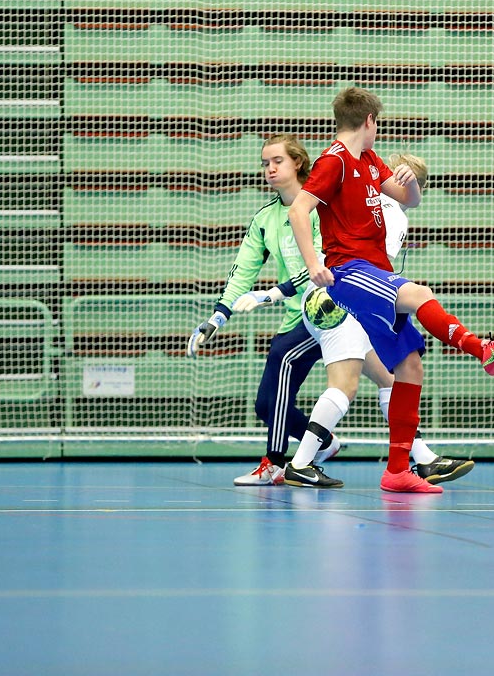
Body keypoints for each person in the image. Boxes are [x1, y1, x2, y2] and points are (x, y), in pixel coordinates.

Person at [189, 136, 471, 487]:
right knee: (332, 385)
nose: (270, 169)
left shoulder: (360, 202)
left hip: (340, 301)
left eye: (277, 161)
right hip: (333, 302)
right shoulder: (354, 210)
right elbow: (327, 262)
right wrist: (241, 306)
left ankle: (421, 458)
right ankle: (293, 462)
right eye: (266, 163)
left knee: (390, 378)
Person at [287, 87, 494, 494]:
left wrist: (410, 185)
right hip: (349, 270)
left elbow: (408, 199)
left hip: (373, 270)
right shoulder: (334, 161)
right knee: (420, 295)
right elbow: (298, 208)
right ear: (370, 122)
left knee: (410, 367)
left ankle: (398, 471)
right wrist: (314, 264)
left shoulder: (370, 160)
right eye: (378, 124)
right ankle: (482, 349)